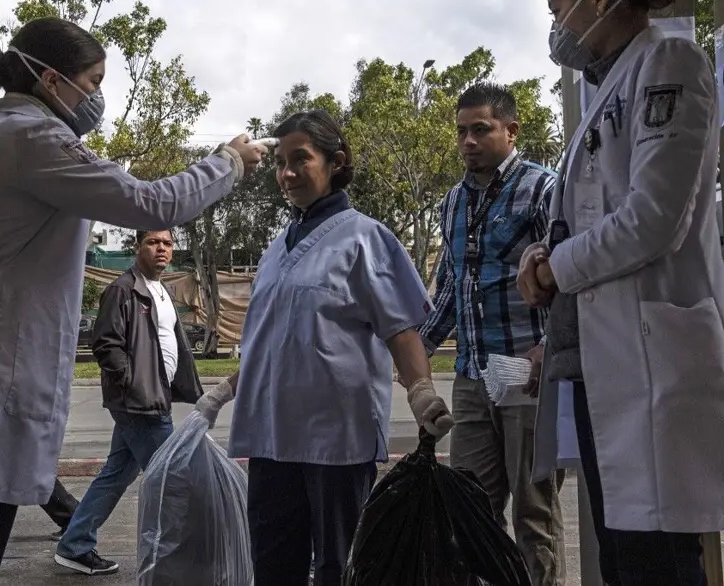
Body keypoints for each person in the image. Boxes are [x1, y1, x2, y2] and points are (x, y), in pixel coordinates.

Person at [0, 16, 266, 586]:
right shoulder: (32, 138)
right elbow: (151, 203)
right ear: (51, 78)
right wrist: (228, 162)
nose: (97, 96)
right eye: (94, 79)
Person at [194, 110, 455, 586]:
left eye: (301, 159)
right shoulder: (276, 249)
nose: (286, 173)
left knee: (341, 565)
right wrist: (221, 394)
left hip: (336, 437)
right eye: (279, 162)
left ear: (336, 163)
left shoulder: (365, 238)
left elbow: (400, 328)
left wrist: (420, 389)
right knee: (274, 563)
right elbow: (271, 342)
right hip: (271, 435)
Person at [518, 1, 724, 584]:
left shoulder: (670, 60)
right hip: (604, 362)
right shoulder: (608, 83)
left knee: (654, 560)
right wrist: (543, 256)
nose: (554, 8)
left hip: (650, 362)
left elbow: (654, 218)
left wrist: (558, 268)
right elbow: (593, 211)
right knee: (624, 555)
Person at [416, 83, 566, 586]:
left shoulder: (544, 188)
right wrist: (416, 350)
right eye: (461, 132)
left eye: (480, 129)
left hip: (530, 376)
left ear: (511, 131)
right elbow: (452, 292)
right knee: (470, 515)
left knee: (534, 517)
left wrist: (552, 344)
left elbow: (567, 278)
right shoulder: (453, 201)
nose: (468, 141)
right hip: (472, 379)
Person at [55, 229, 202, 575]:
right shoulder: (122, 289)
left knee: (116, 474)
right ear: (138, 247)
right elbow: (106, 344)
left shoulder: (160, 290)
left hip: (153, 398)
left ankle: (74, 544)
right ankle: (181, 556)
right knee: (173, 478)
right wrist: (135, 386)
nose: (162, 249)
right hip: (141, 403)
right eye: (153, 242)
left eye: (167, 243)